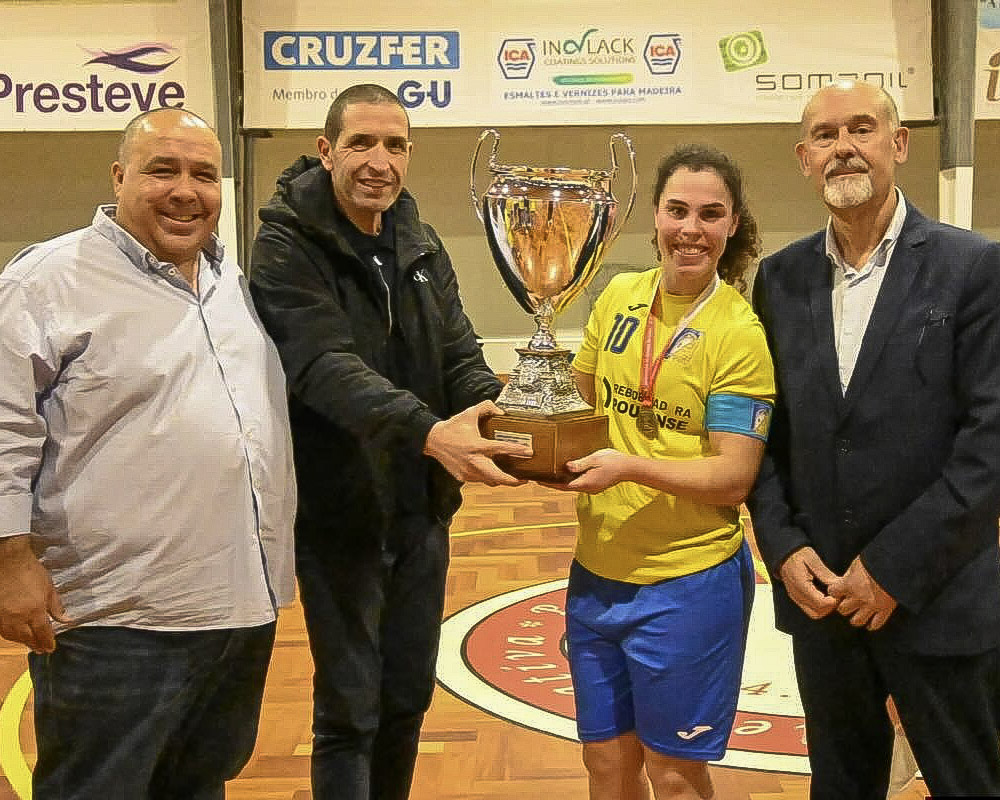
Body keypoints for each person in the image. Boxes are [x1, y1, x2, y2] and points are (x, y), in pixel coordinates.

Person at [0, 108, 296, 799]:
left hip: (236, 608)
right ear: (119, 176)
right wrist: (9, 560)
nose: (185, 190)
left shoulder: (230, 281)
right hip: (113, 618)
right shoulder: (47, 280)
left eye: (202, 174)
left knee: (197, 785)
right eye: (163, 169)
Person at [248, 83, 529, 800]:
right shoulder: (284, 243)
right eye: (362, 143)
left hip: (420, 513)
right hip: (339, 517)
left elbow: (459, 353)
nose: (380, 161)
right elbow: (322, 367)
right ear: (325, 150)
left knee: (406, 700)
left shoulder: (419, 238)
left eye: (396, 145)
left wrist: (504, 419)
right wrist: (434, 432)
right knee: (349, 710)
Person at [747, 80, 1000, 798]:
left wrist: (891, 569)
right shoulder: (779, 279)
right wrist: (784, 545)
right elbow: (765, 436)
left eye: (861, 128)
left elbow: (991, 443)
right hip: (823, 603)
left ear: (898, 143)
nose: (843, 148)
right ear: (803, 157)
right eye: (824, 136)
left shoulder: (974, 267)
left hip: (940, 597)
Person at [547, 144, 775, 800]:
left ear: (731, 225)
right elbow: (578, 404)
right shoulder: (618, 295)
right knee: (608, 767)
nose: (691, 228)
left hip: (687, 585)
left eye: (711, 214)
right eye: (678, 210)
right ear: (656, 216)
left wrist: (628, 468)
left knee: (674, 776)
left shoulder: (740, 334)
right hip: (596, 576)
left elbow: (733, 478)